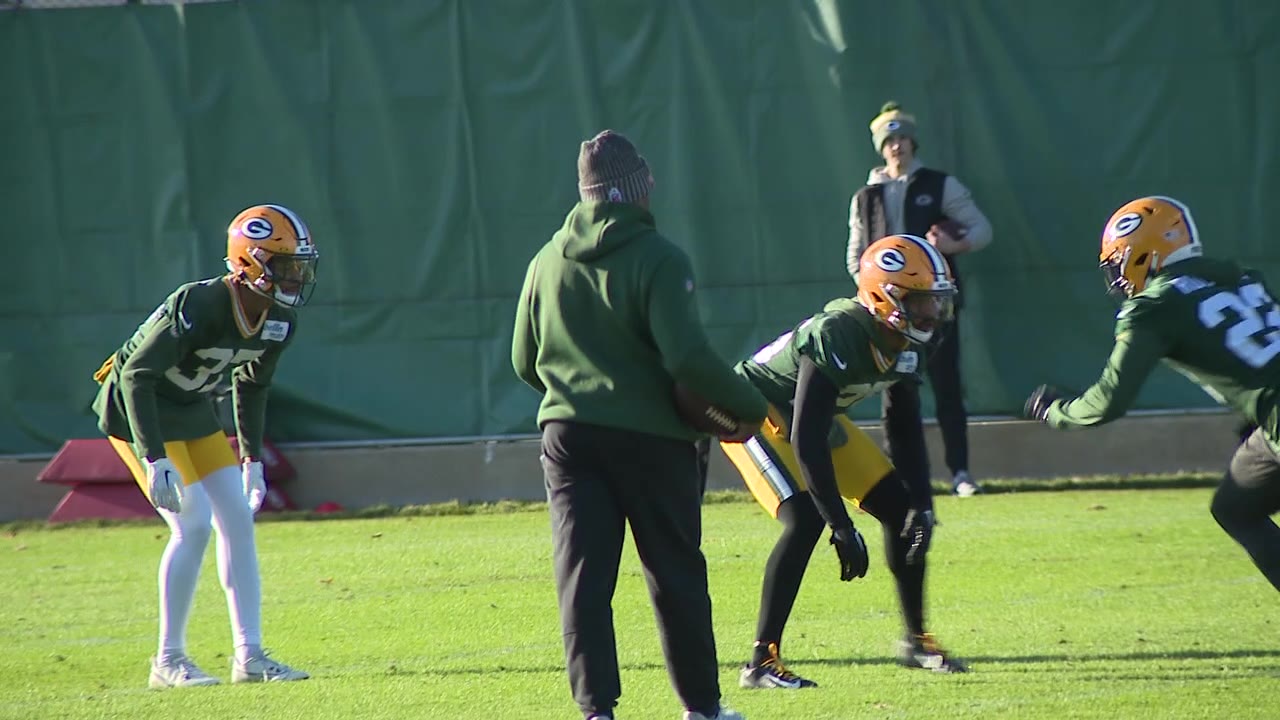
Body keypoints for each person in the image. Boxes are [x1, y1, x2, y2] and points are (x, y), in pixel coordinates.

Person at [512, 130, 768, 720]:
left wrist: (575, 393)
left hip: (568, 437)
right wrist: (751, 406)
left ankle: (596, 710)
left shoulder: (545, 260)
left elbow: (524, 361)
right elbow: (687, 359)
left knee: (582, 579)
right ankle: (701, 707)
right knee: (674, 572)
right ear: (638, 187)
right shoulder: (659, 258)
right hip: (653, 439)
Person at [719, 234, 970, 690]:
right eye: (920, 301)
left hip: (810, 418)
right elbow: (806, 436)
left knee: (902, 511)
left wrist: (921, 501)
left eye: (936, 300)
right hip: (752, 408)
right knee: (805, 519)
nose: (932, 313)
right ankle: (761, 660)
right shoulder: (839, 332)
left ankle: (916, 640)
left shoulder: (909, 341)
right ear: (883, 296)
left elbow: (903, 424)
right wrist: (840, 523)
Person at [91, 204, 316, 687]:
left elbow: (252, 385)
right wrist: (154, 456)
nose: (296, 277)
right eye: (286, 265)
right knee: (191, 526)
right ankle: (167, 660)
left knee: (237, 520)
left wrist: (252, 458)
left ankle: (250, 656)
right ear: (249, 262)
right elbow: (136, 375)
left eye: (300, 266)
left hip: (192, 411)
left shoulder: (279, 320)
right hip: (138, 412)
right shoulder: (200, 303)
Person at [1024, 195, 1280, 592]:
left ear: (1141, 252)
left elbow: (1109, 400)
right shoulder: (1241, 277)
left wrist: (1056, 411)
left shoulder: (1155, 306)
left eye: (1119, 262)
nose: (1119, 276)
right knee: (1236, 507)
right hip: (1271, 420)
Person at [847, 101, 993, 497]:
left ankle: (960, 473)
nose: (897, 146)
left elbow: (981, 229)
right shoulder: (866, 196)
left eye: (903, 139)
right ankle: (902, 480)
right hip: (887, 315)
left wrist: (953, 244)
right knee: (894, 394)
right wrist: (875, 293)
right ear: (881, 147)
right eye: (889, 141)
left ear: (913, 142)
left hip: (935, 308)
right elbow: (856, 255)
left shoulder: (939, 185)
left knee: (947, 387)